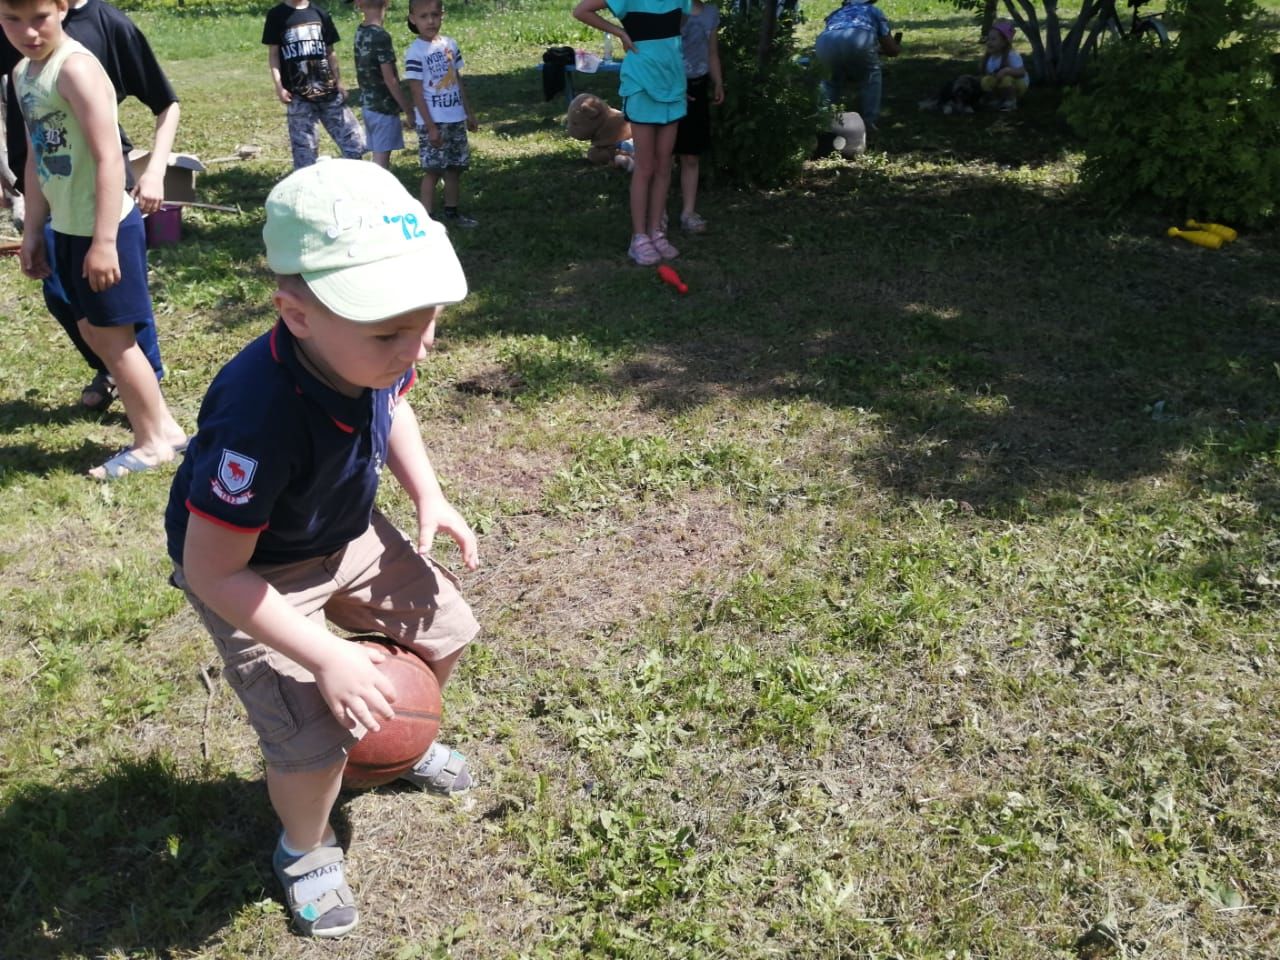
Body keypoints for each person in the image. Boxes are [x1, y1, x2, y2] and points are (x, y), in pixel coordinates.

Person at [164, 159, 480, 939]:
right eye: (393, 331)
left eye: (427, 321)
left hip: (345, 531)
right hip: (257, 572)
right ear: (296, 315)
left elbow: (393, 405)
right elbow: (213, 570)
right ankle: (304, 846)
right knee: (308, 744)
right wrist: (328, 657)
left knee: (447, 628)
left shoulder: (368, 351)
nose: (419, 348)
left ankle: (398, 735)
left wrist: (428, 493)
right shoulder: (258, 417)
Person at [4, 0, 187, 480]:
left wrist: (103, 241)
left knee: (117, 339)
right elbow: (35, 160)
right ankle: (164, 429)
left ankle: (150, 445)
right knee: (93, 331)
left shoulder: (77, 69)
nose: (28, 32)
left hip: (104, 227)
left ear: (61, 8)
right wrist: (33, 232)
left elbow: (110, 159)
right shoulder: (23, 73)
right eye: (12, 19)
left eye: (39, 18)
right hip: (66, 226)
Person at [573, 0, 690, 266]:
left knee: (664, 166)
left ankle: (657, 232)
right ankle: (639, 239)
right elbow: (581, 10)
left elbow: (676, 31)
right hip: (641, 85)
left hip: (673, 85)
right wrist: (620, 32)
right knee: (645, 166)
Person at [263, 0, 366, 169]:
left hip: (328, 90)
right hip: (298, 95)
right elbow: (274, 55)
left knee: (354, 140)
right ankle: (306, 187)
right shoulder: (276, 15)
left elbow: (330, 51)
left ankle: (353, 176)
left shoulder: (320, 13)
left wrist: (339, 81)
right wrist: (279, 86)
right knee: (305, 151)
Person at [404, 0, 478, 227]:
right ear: (412, 19)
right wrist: (430, 126)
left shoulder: (450, 45)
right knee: (433, 170)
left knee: (455, 167)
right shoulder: (415, 52)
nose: (430, 21)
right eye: (424, 16)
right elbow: (416, 92)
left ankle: (452, 212)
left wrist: (468, 113)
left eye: (435, 15)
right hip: (433, 121)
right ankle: (426, 218)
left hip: (454, 117)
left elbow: (457, 80)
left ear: (442, 15)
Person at [673, 0, 722, 234]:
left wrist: (718, 82)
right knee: (662, 156)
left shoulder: (710, 13)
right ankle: (657, 213)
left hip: (698, 88)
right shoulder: (669, 10)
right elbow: (665, 51)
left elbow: (712, 53)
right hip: (670, 88)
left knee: (691, 156)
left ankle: (688, 212)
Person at [814, 0, 901, 131]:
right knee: (871, 77)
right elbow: (891, 49)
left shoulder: (836, 13)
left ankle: (823, 122)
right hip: (858, 39)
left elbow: (840, 43)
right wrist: (896, 48)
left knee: (829, 81)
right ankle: (868, 123)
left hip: (825, 41)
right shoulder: (873, 11)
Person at [353, 0, 413, 169]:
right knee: (380, 165)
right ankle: (374, 195)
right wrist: (408, 110)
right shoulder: (381, 36)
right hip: (383, 109)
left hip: (368, 105)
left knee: (376, 158)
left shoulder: (361, 31)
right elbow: (390, 79)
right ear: (387, 2)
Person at [980, 18, 1028, 112]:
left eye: (993, 39)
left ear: (1004, 42)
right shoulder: (990, 58)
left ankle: (1011, 102)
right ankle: (996, 100)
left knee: (1006, 79)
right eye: (988, 39)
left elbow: (1022, 72)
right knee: (985, 81)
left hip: (1018, 84)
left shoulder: (1011, 55)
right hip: (999, 84)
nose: (989, 42)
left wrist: (1007, 70)